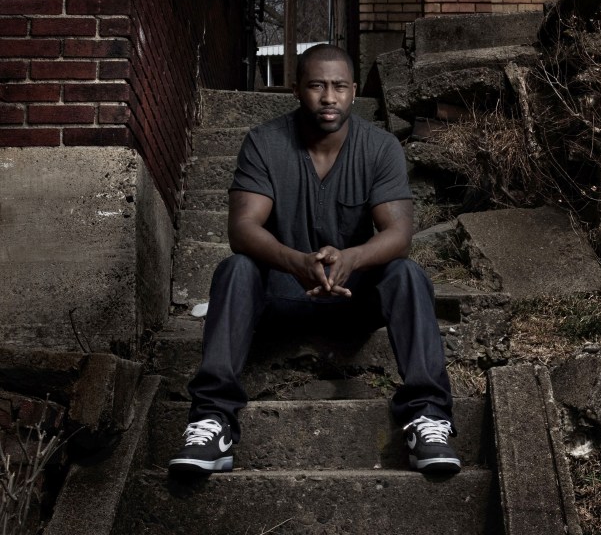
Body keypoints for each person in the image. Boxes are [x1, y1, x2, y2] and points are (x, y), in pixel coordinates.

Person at [168, 44, 460, 476]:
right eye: (317, 86)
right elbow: (243, 229)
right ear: (296, 89)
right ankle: (212, 420)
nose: (329, 97)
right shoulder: (265, 143)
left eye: (339, 86)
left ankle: (429, 417)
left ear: (354, 91)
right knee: (236, 268)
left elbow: (399, 235)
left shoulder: (379, 147)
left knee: (406, 273)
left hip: (354, 297)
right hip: (283, 294)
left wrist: (353, 258)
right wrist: (296, 262)